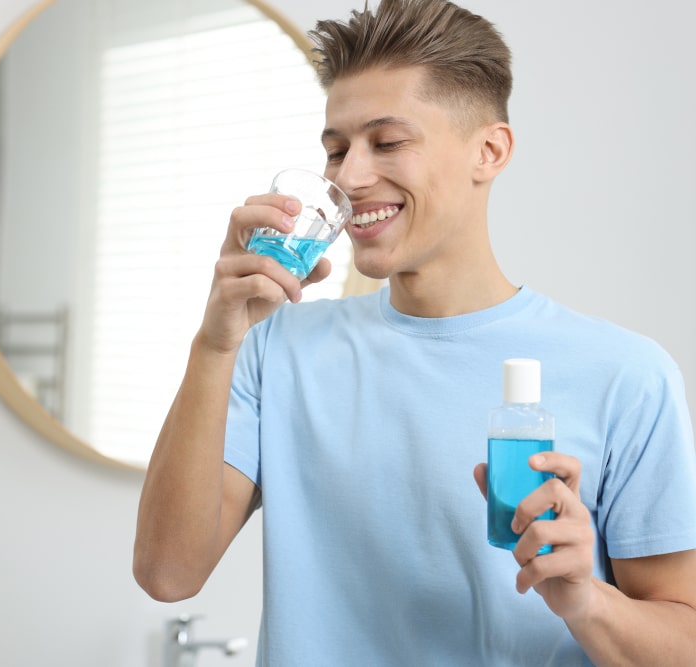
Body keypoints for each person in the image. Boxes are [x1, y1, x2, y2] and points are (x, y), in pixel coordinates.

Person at [133, 0, 696, 664]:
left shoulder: (626, 374)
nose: (348, 177)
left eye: (387, 141)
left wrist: (587, 600)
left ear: (489, 150)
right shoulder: (275, 351)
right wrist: (215, 342)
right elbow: (168, 573)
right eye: (336, 149)